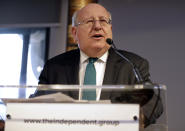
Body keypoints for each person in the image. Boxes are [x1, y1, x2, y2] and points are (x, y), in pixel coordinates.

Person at [30, 3, 163, 127]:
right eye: (89, 21)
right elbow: (36, 103)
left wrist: (130, 121)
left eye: (103, 21)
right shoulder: (54, 67)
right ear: (75, 33)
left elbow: (153, 103)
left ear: (110, 29)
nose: (97, 26)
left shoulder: (132, 65)